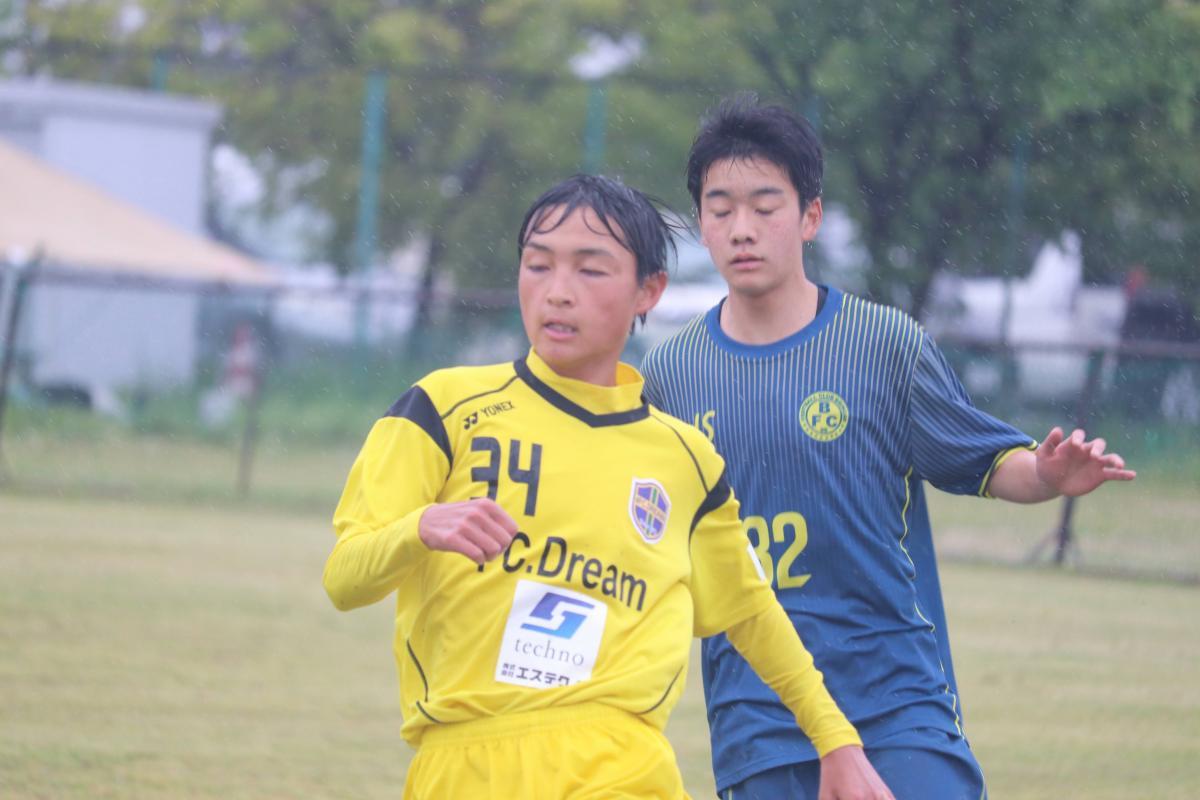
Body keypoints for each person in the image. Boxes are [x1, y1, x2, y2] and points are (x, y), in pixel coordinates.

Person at [323, 174, 893, 799]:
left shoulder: (685, 462)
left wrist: (835, 739)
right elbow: (345, 579)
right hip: (464, 765)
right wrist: (420, 528)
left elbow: (753, 613)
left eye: (591, 271)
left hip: (623, 767)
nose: (557, 292)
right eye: (538, 265)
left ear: (649, 290)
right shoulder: (444, 407)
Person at [640, 96, 1137, 800]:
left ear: (810, 216)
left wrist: (1047, 474)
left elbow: (985, 461)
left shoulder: (883, 344)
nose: (741, 229)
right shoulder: (670, 373)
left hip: (894, 701)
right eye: (720, 210)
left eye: (765, 206)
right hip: (758, 715)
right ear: (701, 224)